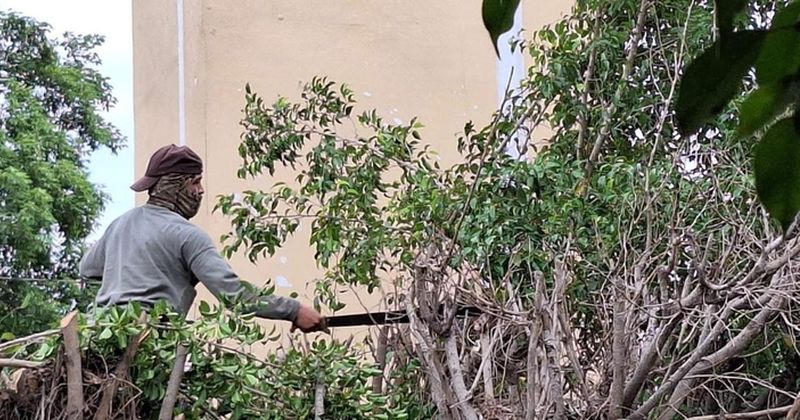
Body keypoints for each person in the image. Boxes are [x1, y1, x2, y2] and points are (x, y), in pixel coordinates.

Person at [80, 144, 326, 333]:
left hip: (101, 332)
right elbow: (234, 295)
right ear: (176, 186)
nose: (201, 190)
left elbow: (87, 269)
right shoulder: (188, 236)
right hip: (150, 342)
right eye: (195, 182)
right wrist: (294, 310)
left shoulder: (120, 224)